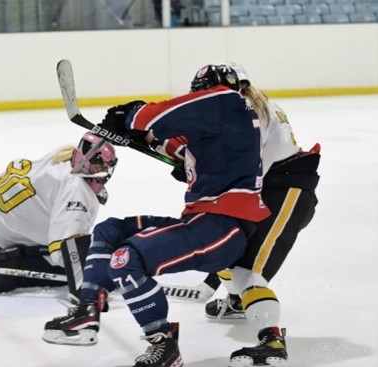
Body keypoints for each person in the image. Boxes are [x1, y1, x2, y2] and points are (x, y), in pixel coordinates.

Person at [43, 65, 270, 367]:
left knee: (126, 258)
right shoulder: (227, 120)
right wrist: (148, 139)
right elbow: (173, 142)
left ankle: (163, 344)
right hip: (204, 223)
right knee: (111, 231)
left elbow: (158, 115)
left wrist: (129, 117)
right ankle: (87, 310)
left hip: (223, 228)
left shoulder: (225, 100)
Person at [163, 62, 320, 366]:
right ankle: (238, 301)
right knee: (227, 249)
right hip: (271, 190)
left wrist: (194, 164)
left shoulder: (244, 110)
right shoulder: (248, 104)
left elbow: (240, 165)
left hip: (287, 192)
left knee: (249, 272)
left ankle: (272, 341)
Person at [0, 132, 117, 294]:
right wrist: (93, 272)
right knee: (67, 262)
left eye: (107, 166)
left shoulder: (66, 153)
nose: (105, 171)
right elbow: (65, 252)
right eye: (100, 166)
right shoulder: (76, 189)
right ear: (85, 162)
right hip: (3, 233)